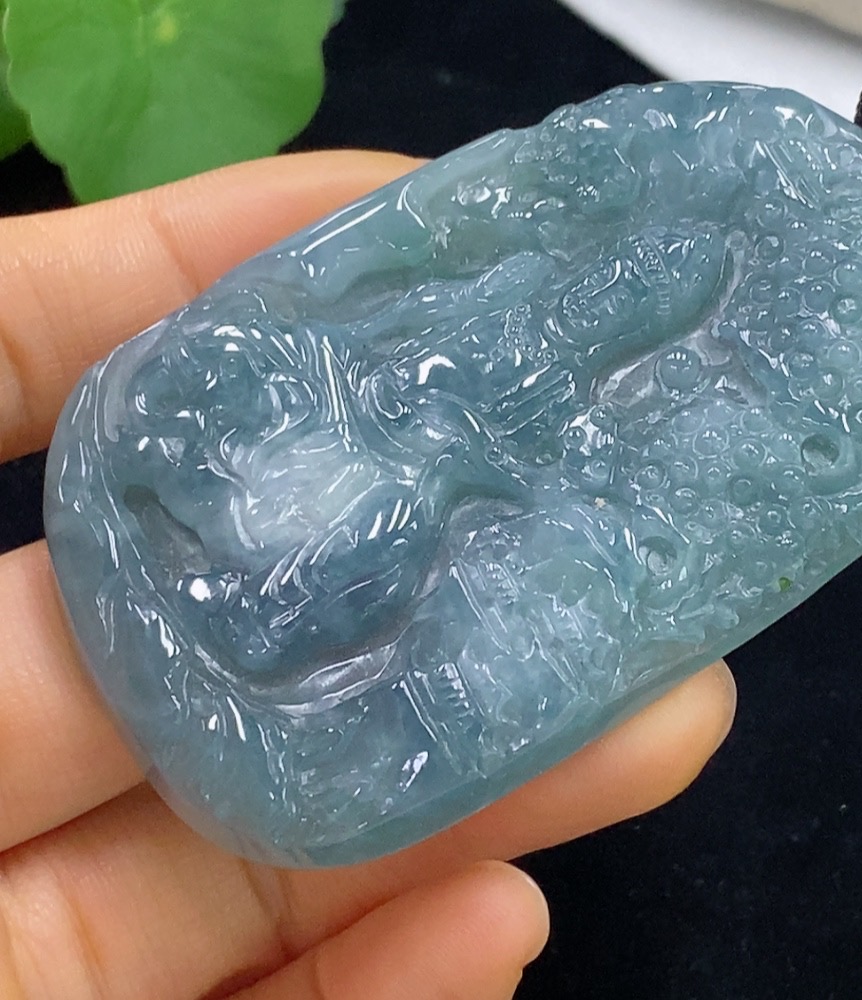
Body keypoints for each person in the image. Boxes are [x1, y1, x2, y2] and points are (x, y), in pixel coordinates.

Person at [0, 150, 736, 999]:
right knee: (256, 386)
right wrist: (348, 367)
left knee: (387, 533)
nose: (617, 293)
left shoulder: (580, 407)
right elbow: (402, 315)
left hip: (401, 477)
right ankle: (170, 485)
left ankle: (247, 615)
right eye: (628, 270)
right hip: (343, 402)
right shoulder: (522, 279)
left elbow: (519, 483)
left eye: (645, 298)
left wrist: (461, 464)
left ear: (653, 324)